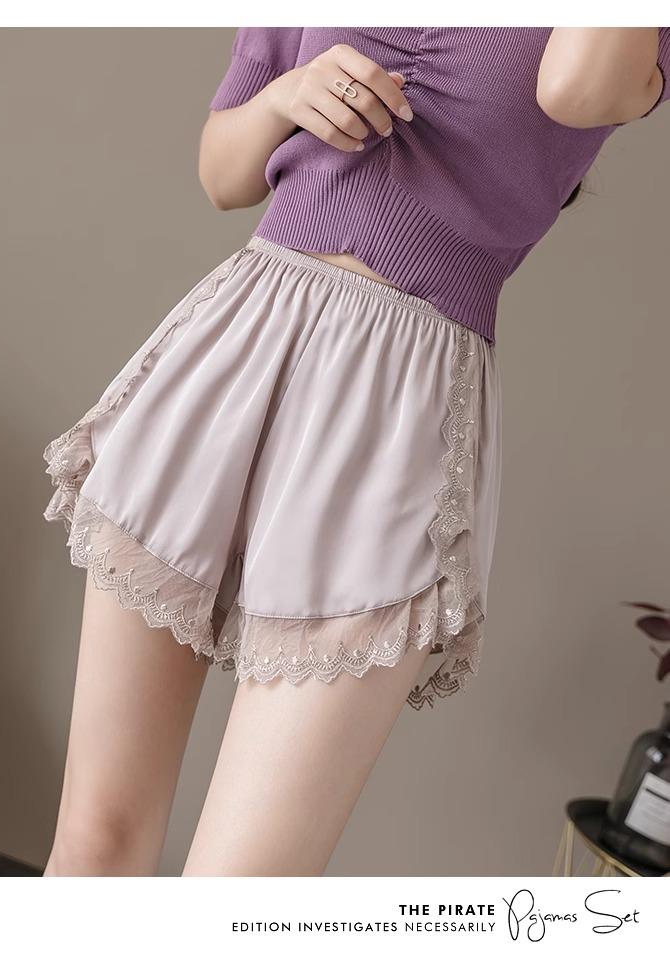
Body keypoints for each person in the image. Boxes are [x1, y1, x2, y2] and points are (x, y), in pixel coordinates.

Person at [41, 28, 669, 877]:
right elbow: (223, 173)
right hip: (238, 345)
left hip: (399, 408)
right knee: (95, 844)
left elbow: (577, 88)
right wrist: (284, 98)